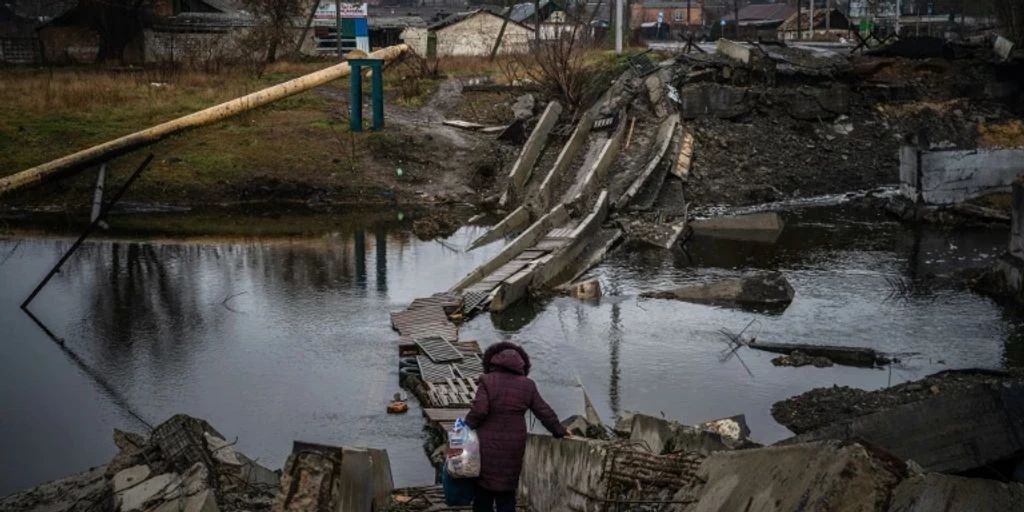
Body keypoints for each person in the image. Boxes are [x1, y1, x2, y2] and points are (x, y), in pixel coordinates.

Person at [465, 341, 568, 512]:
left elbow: (479, 410)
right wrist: (560, 430)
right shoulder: (528, 385)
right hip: (514, 445)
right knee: (507, 490)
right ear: (522, 365)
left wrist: (466, 426)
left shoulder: (487, 381)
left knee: (483, 491)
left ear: (493, 362)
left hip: (486, 444)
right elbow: (543, 411)